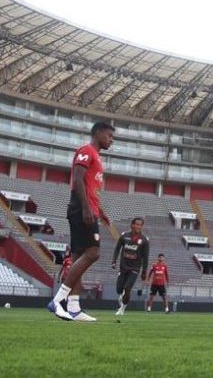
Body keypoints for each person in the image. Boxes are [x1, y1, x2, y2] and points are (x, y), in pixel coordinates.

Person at [49, 122, 114, 322]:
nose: (111, 140)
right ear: (98, 133)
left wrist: (100, 211)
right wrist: (86, 208)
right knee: (93, 253)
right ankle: (58, 300)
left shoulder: (96, 156)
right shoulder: (86, 151)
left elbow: (90, 188)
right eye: (109, 136)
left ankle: (74, 307)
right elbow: (77, 179)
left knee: (78, 257)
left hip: (88, 208)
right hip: (81, 209)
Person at [110, 218, 150, 316]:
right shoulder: (124, 236)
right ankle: (122, 296)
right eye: (137, 224)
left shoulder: (144, 240)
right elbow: (117, 248)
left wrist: (144, 272)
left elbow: (145, 257)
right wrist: (114, 261)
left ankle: (122, 308)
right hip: (123, 267)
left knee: (127, 289)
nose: (138, 226)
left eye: (140, 225)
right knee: (119, 289)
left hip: (134, 269)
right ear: (132, 225)